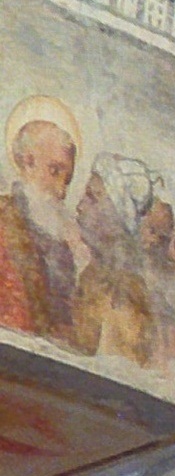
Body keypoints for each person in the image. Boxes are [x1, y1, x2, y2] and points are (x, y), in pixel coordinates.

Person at [0, 97, 88, 347]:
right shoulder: (3, 217)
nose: (61, 190)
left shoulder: (64, 243)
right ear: (27, 162)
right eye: (55, 171)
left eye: (68, 179)